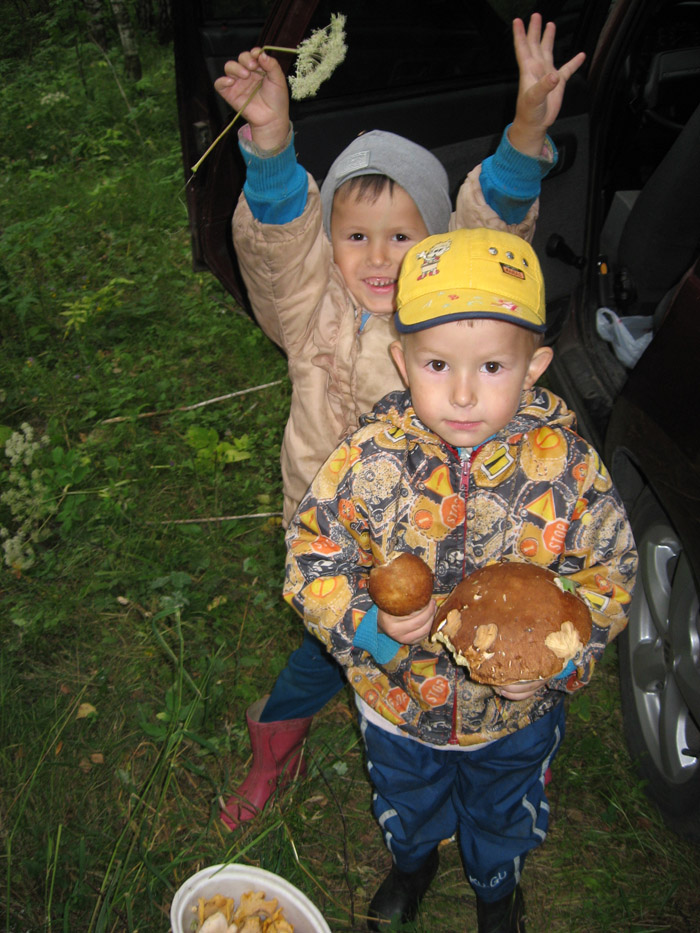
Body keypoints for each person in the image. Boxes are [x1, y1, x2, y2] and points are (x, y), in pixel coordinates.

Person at [214, 15, 586, 831]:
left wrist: (527, 133)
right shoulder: (308, 308)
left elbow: (491, 233)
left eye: (401, 237)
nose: (378, 258)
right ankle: (275, 744)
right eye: (355, 237)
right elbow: (279, 248)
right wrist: (270, 146)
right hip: (337, 542)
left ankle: (495, 745)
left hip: (445, 531)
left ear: (435, 245)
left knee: (463, 638)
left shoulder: (446, 321)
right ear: (330, 244)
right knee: (334, 647)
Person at [284, 226, 637, 932]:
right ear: (402, 360)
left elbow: (612, 573)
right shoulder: (367, 462)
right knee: (406, 795)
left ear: (534, 367)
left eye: (493, 367)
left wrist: (559, 663)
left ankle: (496, 886)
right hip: (397, 700)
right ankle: (413, 863)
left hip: (512, 718)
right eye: (438, 364)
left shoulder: (567, 468)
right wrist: (373, 627)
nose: (465, 393)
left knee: (504, 807)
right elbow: (311, 559)